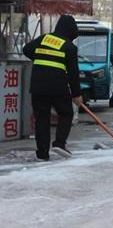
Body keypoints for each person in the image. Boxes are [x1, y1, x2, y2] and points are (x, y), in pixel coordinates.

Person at [22, 15, 83, 161]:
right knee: (66, 113)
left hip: (38, 87)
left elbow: (26, 49)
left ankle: (42, 153)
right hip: (57, 87)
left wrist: (40, 59)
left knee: (42, 119)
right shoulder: (69, 47)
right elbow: (73, 74)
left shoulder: (44, 39)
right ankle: (59, 143)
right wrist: (77, 95)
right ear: (71, 30)